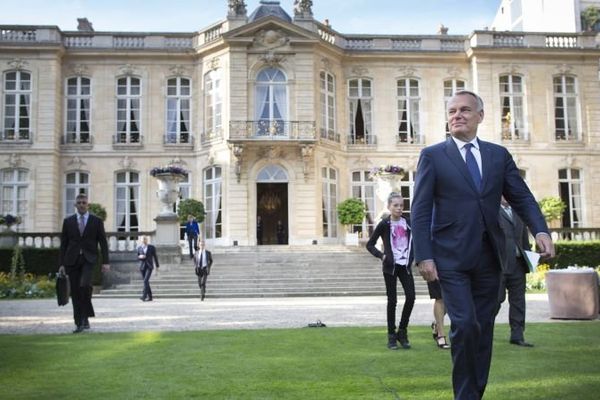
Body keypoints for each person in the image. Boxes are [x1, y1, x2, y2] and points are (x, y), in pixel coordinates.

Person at [411, 90, 554, 399]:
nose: (457, 115)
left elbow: (522, 197)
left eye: (464, 110)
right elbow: (420, 209)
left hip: (491, 258)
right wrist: (424, 255)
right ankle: (465, 396)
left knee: (483, 327)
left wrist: (540, 230)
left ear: (480, 116)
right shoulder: (433, 156)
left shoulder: (497, 155)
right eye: (451, 111)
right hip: (450, 258)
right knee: (463, 325)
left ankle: (475, 392)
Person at [367, 192, 415, 350]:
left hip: (405, 267)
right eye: (396, 205)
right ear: (389, 207)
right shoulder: (384, 224)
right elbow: (370, 244)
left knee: (411, 297)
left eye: (401, 205)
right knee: (392, 301)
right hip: (390, 267)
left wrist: (414, 257)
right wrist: (381, 256)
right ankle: (391, 336)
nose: (399, 208)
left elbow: (416, 241)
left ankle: (402, 331)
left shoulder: (408, 223)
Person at [58, 193, 110, 333]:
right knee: (75, 291)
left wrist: (106, 262)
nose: (81, 204)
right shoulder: (68, 221)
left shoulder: (96, 221)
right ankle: (80, 322)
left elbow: (103, 242)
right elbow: (64, 244)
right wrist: (61, 264)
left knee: (85, 285)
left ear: (88, 204)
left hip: (89, 259)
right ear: (75, 205)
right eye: (79, 202)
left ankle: (85, 316)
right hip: (71, 260)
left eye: (83, 202)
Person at [496, 197, 534, 347]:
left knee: (518, 301)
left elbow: (524, 239)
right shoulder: (492, 210)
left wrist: (530, 259)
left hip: (519, 264)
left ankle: (517, 335)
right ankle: (483, 331)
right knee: (495, 301)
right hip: (500, 265)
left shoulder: (518, 211)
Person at [428, 280, 450, 350]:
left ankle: (436, 324)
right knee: (439, 297)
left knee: (451, 299)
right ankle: (441, 335)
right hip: (437, 271)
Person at [137, 235, 159, 302]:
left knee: (145, 281)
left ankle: (144, 296)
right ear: (141, 241)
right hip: (142, 267)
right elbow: (137, 256)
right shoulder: (139, 248)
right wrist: (140, 257)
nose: (144, 240)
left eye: (145, 239)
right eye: (143, 239)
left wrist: (157, 266)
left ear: (147, 240)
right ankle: (150, 297)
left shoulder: (151, 247)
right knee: (146, 282)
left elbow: (155, 257)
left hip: (149, 266)